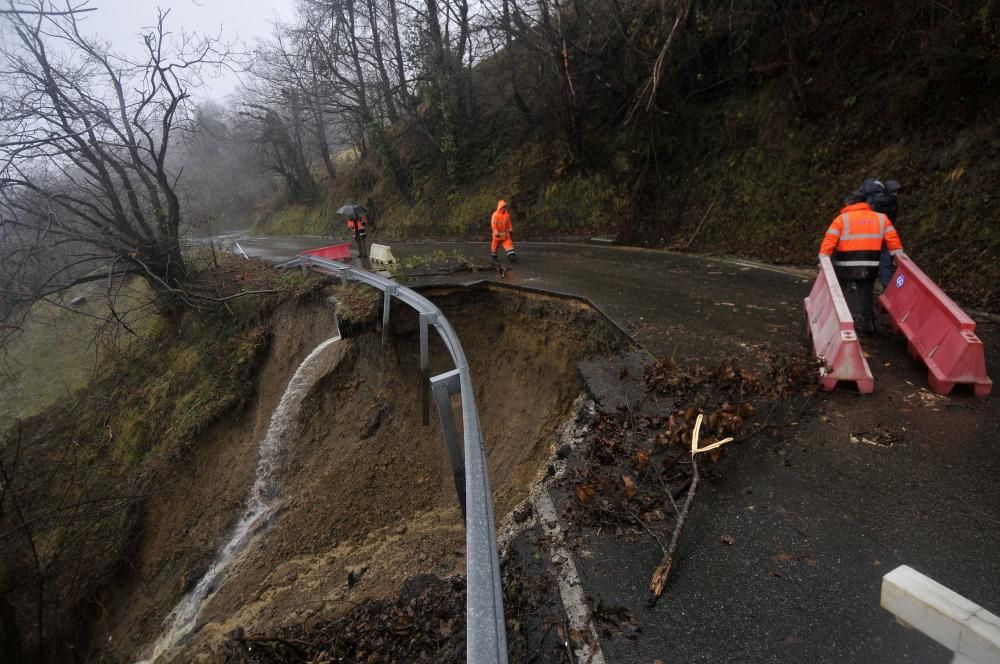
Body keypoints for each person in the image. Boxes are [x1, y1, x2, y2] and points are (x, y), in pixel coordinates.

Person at [819, 179, 907, 335]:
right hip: (869, 265)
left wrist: (823, 258)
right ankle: (868, 324)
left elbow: (829, 241)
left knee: (840, 294)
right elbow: (892, 240)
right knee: (865, 295)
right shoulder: (881, 219)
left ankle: (837, 323)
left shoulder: (842, 219)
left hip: (844, 265)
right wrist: (898, 254)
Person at [868, 179, 902, 288]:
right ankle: (886, 285)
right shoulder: (892, 202)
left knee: (868, 259)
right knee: (885, 260)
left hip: (872, 233)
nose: (896, 194)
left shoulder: (875, 201)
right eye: (895, 192)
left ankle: (858, 283)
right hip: (884, 233)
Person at [490, 199, 517, 263]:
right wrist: (495, 231)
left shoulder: (507, 215)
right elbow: (493, 224)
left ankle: (511, 256)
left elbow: (509, 223)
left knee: (508, 244)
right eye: (502, 207)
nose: (504, 209)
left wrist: (510, 228)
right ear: (499, 208)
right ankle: (494, 257)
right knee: (495, 247)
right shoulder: (495, 215)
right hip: (497, 235)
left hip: (505, 234)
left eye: (504, 207)